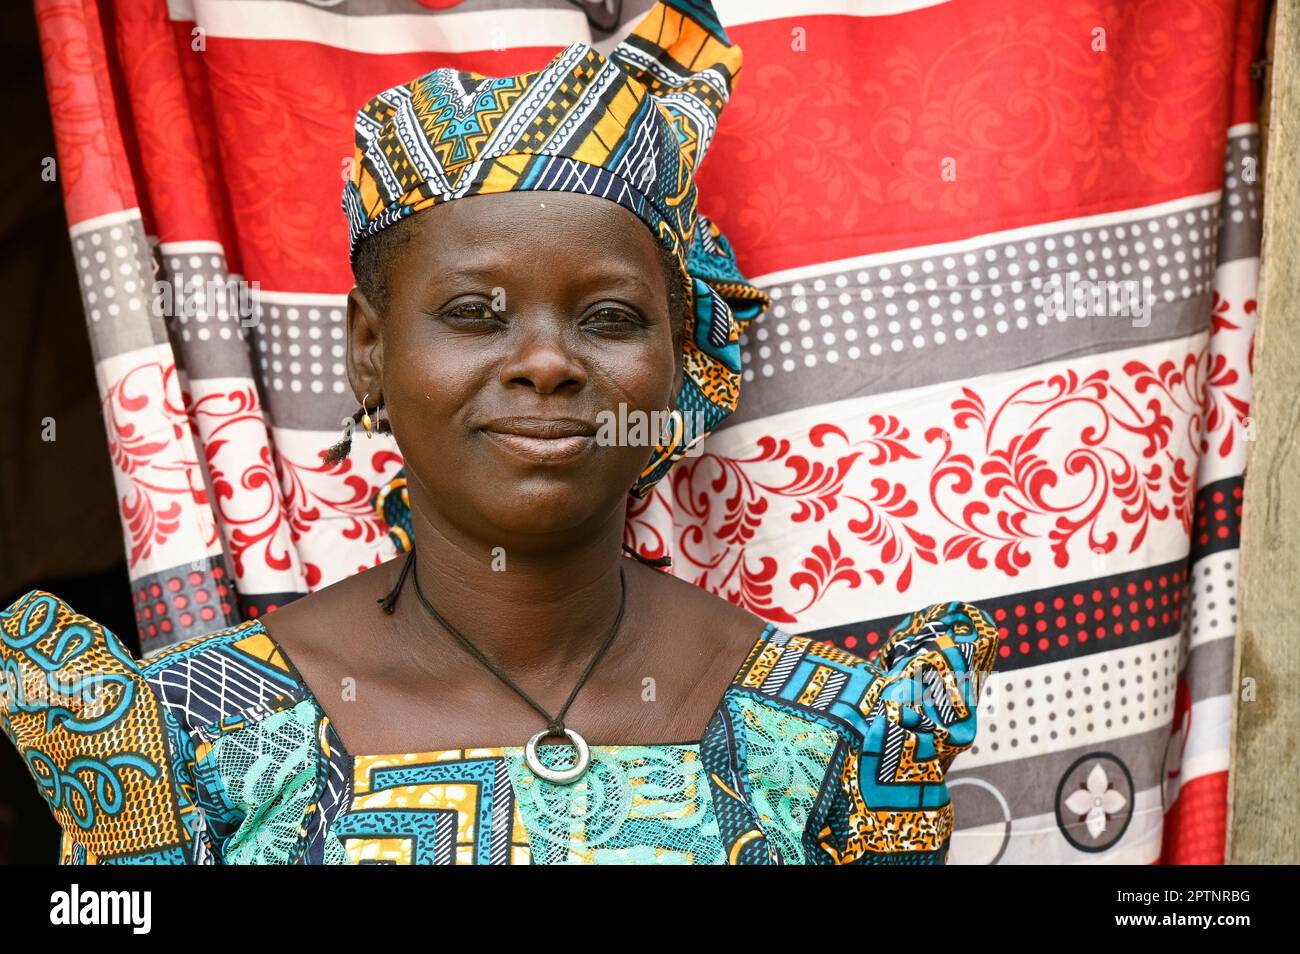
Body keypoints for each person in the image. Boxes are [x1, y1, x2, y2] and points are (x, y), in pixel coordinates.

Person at [0, 0, 998, 865]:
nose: (547, 363)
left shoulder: (832, 732)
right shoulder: (193, 735)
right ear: (366, 351)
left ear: (677, 355)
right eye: (473, 314)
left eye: (608, 318)